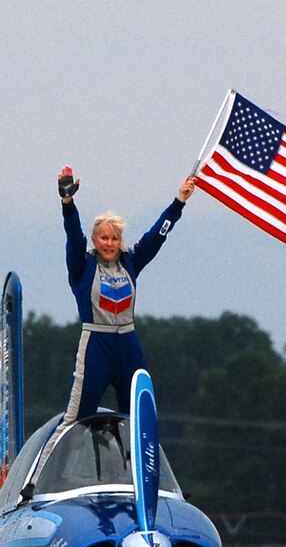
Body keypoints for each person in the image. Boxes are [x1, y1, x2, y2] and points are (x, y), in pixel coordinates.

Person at [55, 165, 197, 424]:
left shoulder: (130, 260)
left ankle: (133, 462)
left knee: (140, 418)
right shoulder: (82, 265)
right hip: (96, 344)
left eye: (115, 238)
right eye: (104, 238)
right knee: (75, 420)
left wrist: (179, 202)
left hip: (128, 344)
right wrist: (67, 201)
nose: (110, 244)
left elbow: (157, 236)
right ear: (95, 240)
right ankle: (47, 462)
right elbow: (73, 236)